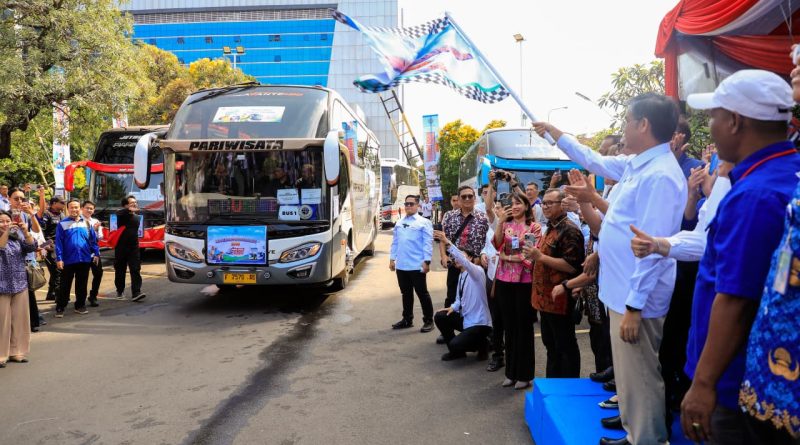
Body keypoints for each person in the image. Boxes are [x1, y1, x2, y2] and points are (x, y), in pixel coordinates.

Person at [535, 92, 686, 445]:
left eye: (627, 122)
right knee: (629, 377)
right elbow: (593, 159)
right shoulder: (637, 164)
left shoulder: (661, 176)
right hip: (621, 291)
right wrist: (556, 134)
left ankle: (647, 438)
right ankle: (635, 433)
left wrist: (634, 306)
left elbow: (652, 249)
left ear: (643, 125)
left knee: (642, 376)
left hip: (637, 298)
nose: (623, 129)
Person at [673, 70, 800, 445]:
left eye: (713, 116)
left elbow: (736, 299)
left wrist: (704, 383)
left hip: (733, 383)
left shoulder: (755, 195)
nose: (710, 128)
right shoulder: (786, 173)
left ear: (734, 121)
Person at [524, 188, 585, 378]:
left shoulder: (570, 230)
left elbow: (572, 266)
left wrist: (540, 257)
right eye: (544, 203)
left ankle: (567, 387)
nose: (546, 206)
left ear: (562, 205)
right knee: (551, 346)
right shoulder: (550, 226)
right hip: (544, 300)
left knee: (564, 346)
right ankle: (553, 384)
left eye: (550, 203)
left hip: (560, 299)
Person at [492, 191, 541, 390]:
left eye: (519, 203)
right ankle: (510, 373)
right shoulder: (506, 224)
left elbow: (529, 255)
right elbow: (497, 245)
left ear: (527, 206)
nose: (515, 206)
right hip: (504, 280)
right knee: (509, 326)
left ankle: (525, 374)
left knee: (524, 327)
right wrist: (500, 222)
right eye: (512, 203)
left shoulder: (533, 227)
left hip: (525, 281)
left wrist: (509, 257)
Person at [433, 230, 492, 361]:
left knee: (456, 344)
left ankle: (484, 344)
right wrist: (452, 308)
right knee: (440, 316)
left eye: (461, 256)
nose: (456, 259)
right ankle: (457, 353)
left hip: (479, 323)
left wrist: (447, 242)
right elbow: (459, 299)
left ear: (470, 258)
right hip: (466, 319)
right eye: (455, 257)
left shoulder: (477, 272)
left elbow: (464, 262)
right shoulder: (461, 275)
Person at [439, 186, 489, 320]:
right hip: (455, 264)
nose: (467, 199)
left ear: (475, 198)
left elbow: (488, 242)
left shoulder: (483, 218)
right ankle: (449, 325)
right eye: (464, 196)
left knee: (476, 297)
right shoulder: (449, 216)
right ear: (459, 199)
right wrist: (443, 256)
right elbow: (443, 239)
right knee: (452, 295)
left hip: (475, 266)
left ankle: (476, 326)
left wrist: (481, 257)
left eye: (470, 196)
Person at [389, 195, 434, 332]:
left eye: (411, 204)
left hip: (417, 265)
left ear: (417, 205)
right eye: (406, 204)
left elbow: (427, 244)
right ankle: (407, 319)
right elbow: (395, 242)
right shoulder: (399, 222)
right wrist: (392, 259)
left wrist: (427, 261)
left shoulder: (424, 222)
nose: (408, 206)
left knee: (422, 293)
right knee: (406, 293)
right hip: (402, 265)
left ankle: (428, 321)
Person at [0, 210, 37, 366]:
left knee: (20, 320)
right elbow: (1, 247)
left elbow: (32, 247)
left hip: (19, 282)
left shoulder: (17, 237)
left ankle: (17, 352)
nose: (5, 224)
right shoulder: (5, 236)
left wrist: (25, 231)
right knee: (2, 321)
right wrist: (6, 231)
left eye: (8, 221)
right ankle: (1, 355)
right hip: (2, 285)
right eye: (2, 221)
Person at [55, 199, 100, 317]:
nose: (74, 210)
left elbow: (93, 241)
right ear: (67, 209)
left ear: (80, 209)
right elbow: (59, 242)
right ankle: (60, 307)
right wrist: (59, 258)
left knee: (82, 284)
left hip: (84, 259)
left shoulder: (87, 224)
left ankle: (80, 305)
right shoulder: (62, 224)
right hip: (68, 260)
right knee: (65, 285)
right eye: (72, 207)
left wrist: (96, 253)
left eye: (76, 207)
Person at [115, 196, 146, 302]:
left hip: (134, 247)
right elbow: (119, 212)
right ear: (125, 205)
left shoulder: (137, 217)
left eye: (135, 202)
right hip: (121, 247)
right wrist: (128, 209)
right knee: (120, 270)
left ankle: (136, 292)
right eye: (131, 202)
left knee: (135, 269)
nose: (135, 204)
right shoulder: (121, 215)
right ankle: (120, 291)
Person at [38, 195, 64, 301]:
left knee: (56, 271)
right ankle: (58, 295)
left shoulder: (62, 214)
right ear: (54, 203)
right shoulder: (46, 214)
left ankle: (51, 293)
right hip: (50, 246)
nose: (64, 204)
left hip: (60, 246)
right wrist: (45, 245)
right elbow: (41, 232)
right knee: (57, 270)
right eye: (62, 202)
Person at [81, 201, 104, 307]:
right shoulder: (78, 221)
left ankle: (93, 296)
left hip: (94, 253)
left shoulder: (95, 221)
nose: (89, 210)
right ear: (82, 208)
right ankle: (81, 299)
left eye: (91, 208)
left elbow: (100, 237)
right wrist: (92, 230)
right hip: (82, 253)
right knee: (83, 277)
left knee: (98, 274)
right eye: (87, 208)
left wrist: (97, 230)